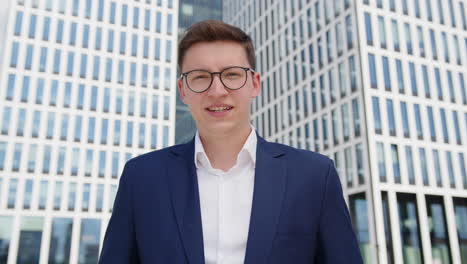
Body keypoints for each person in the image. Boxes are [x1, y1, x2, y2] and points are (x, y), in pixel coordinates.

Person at [98, 20, 363, 264]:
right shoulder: (141, 177)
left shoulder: (315, 175)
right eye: (200, 77)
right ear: (183, 90)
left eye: (232, 74)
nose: (217, 91)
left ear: (254, 84)